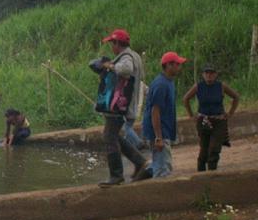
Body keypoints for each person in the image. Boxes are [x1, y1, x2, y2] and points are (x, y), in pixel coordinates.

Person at [97, 29, 149, 187]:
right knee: (113, 135)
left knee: (109, 136)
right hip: (125, 104)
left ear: (117, 43)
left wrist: (110, 66)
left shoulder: (126, 57)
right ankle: (140, 162)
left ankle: (116, 175)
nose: (111, 47)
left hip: (120, 105)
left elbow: (126, 70)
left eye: (112, 43)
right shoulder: (134, 55)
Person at [139, 51, 188, 180]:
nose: (180, 67)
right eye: (177, 64)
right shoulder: (161, 85)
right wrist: (158, 138)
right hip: (159, 131)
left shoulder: (168, 82)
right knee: (162, 170)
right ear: (169, 65)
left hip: (162, 129)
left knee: (161, 163)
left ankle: (143, 175)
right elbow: (155, 111)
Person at [183, 63, 240, 172]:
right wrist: (191, 115)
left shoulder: (221, 86)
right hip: (203, 121)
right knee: (204, 149)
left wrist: (230, 113)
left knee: (214, 149)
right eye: (207, 73)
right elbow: (186, 99)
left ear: (216, 74)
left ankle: (212, 173)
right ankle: (201, 173)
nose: (209, 75)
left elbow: (236, 97)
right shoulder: (198, 86)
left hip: (219, 121)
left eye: (212, 73)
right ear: (203, 75)